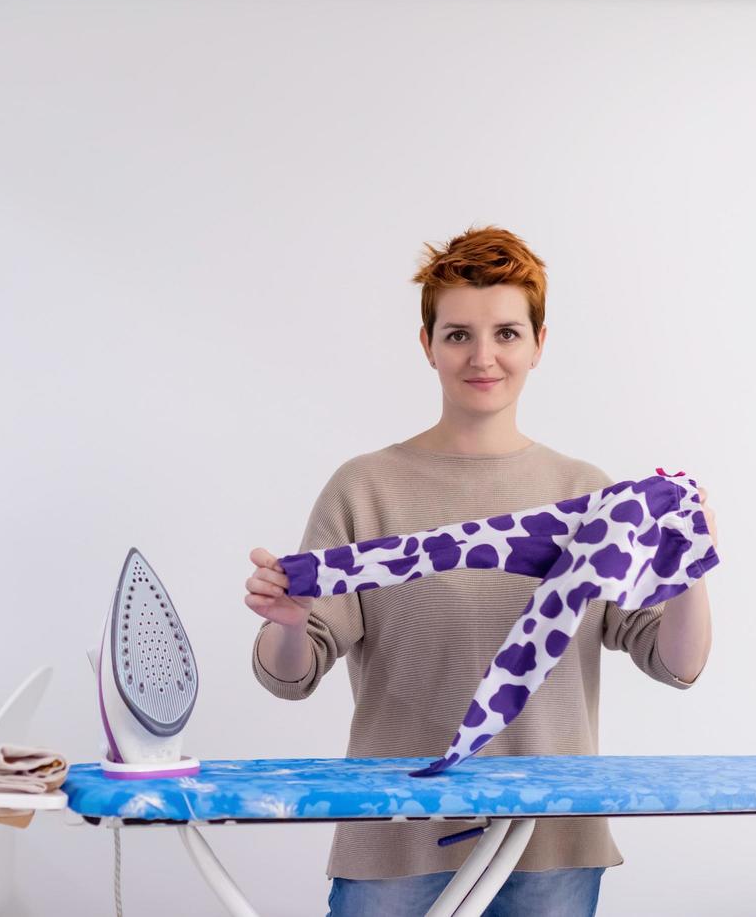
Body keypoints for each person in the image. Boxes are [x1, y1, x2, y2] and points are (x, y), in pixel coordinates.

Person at [245, 226, 718, 917]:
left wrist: (690, 557)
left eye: (505, 333)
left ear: (538, 344)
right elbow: (290, 676)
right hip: (398, 837)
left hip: (552, 844)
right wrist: (287, 624)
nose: (483, 356)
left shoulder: (585, 493)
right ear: (427, 345)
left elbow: (676, 664)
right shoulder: (365, 489)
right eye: (458, 334)